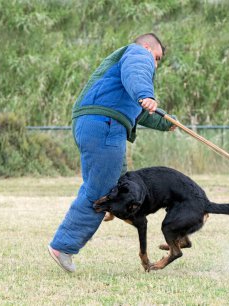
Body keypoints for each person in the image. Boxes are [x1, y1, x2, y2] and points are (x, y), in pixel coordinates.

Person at [48, 33, 176, 272]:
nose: (155, 64)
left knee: (119, 184)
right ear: (148, 47)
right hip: (104, 125)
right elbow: (138, 72)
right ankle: (63, 246)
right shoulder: (138, 54)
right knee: (100, 194)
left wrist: (168, 122)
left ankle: (111, 212)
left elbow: (138, 112)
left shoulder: (121, 83)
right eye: (156, 57)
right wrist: (145, 94)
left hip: (99, 124)